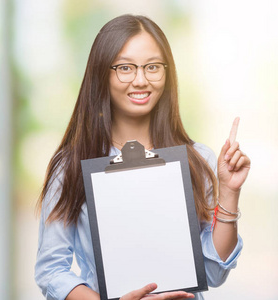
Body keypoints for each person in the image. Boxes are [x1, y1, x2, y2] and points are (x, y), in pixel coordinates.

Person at [34, 14, 251, 300]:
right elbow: (51, 271)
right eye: (125, 67)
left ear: (167, 72)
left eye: (152, 67)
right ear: (102, 73)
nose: (140, 80)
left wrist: (230, 192)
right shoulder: (71, 166)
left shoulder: (198, 159)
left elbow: (213, 273)